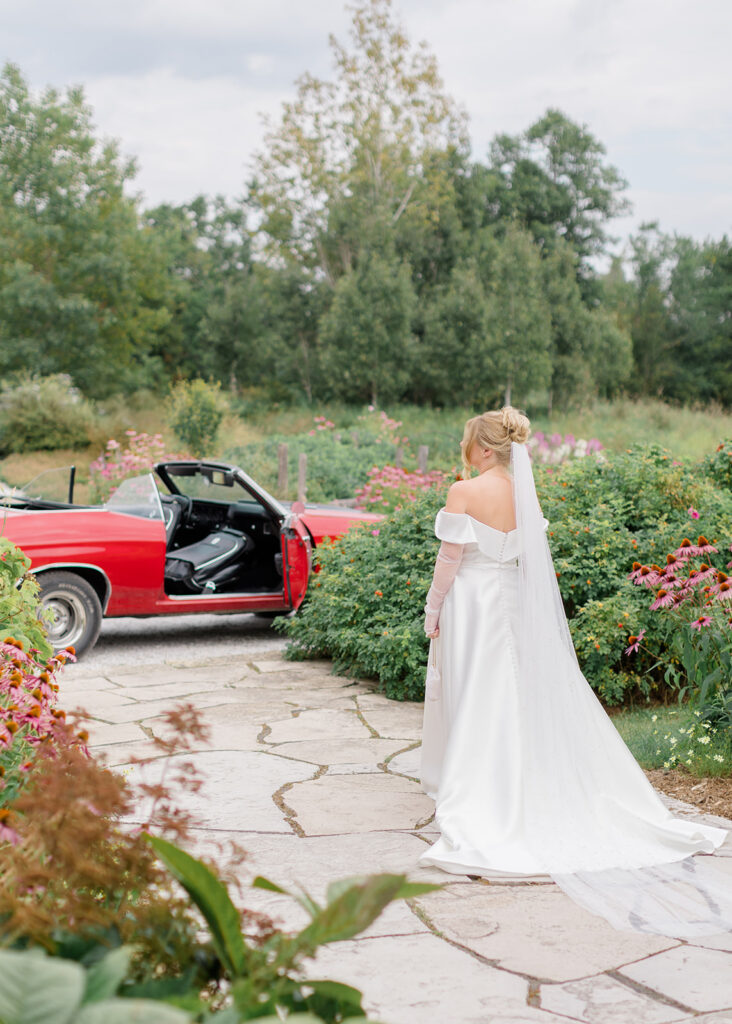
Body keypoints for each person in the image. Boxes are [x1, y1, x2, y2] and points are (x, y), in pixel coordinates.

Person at [419, 407, 732, 937]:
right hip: (515, 602)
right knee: (517, 692)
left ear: (486, 449)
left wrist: (433, 608)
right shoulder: (525, 497)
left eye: (470, 443)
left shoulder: (464, 491)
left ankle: (486, 789)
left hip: (472, 602)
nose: (465, 451)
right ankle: (527, 779)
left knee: (481, 692)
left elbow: (450, 560)